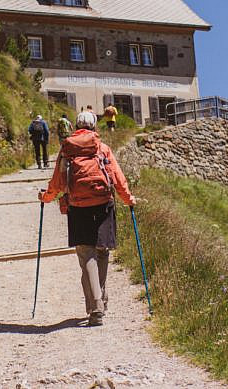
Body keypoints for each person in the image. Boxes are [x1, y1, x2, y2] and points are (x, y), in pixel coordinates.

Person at [38, 111, 136, 326]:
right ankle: (100, 301)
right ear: (94, 127)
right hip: (103, 205)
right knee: (102, 251)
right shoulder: (102, 149)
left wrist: (46, 197)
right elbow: (118, 178)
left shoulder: (67, 150)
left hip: (78, 207)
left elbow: (57, 182)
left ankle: (96, 306)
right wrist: (129, 200)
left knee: (86, 255)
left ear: (76, 127)